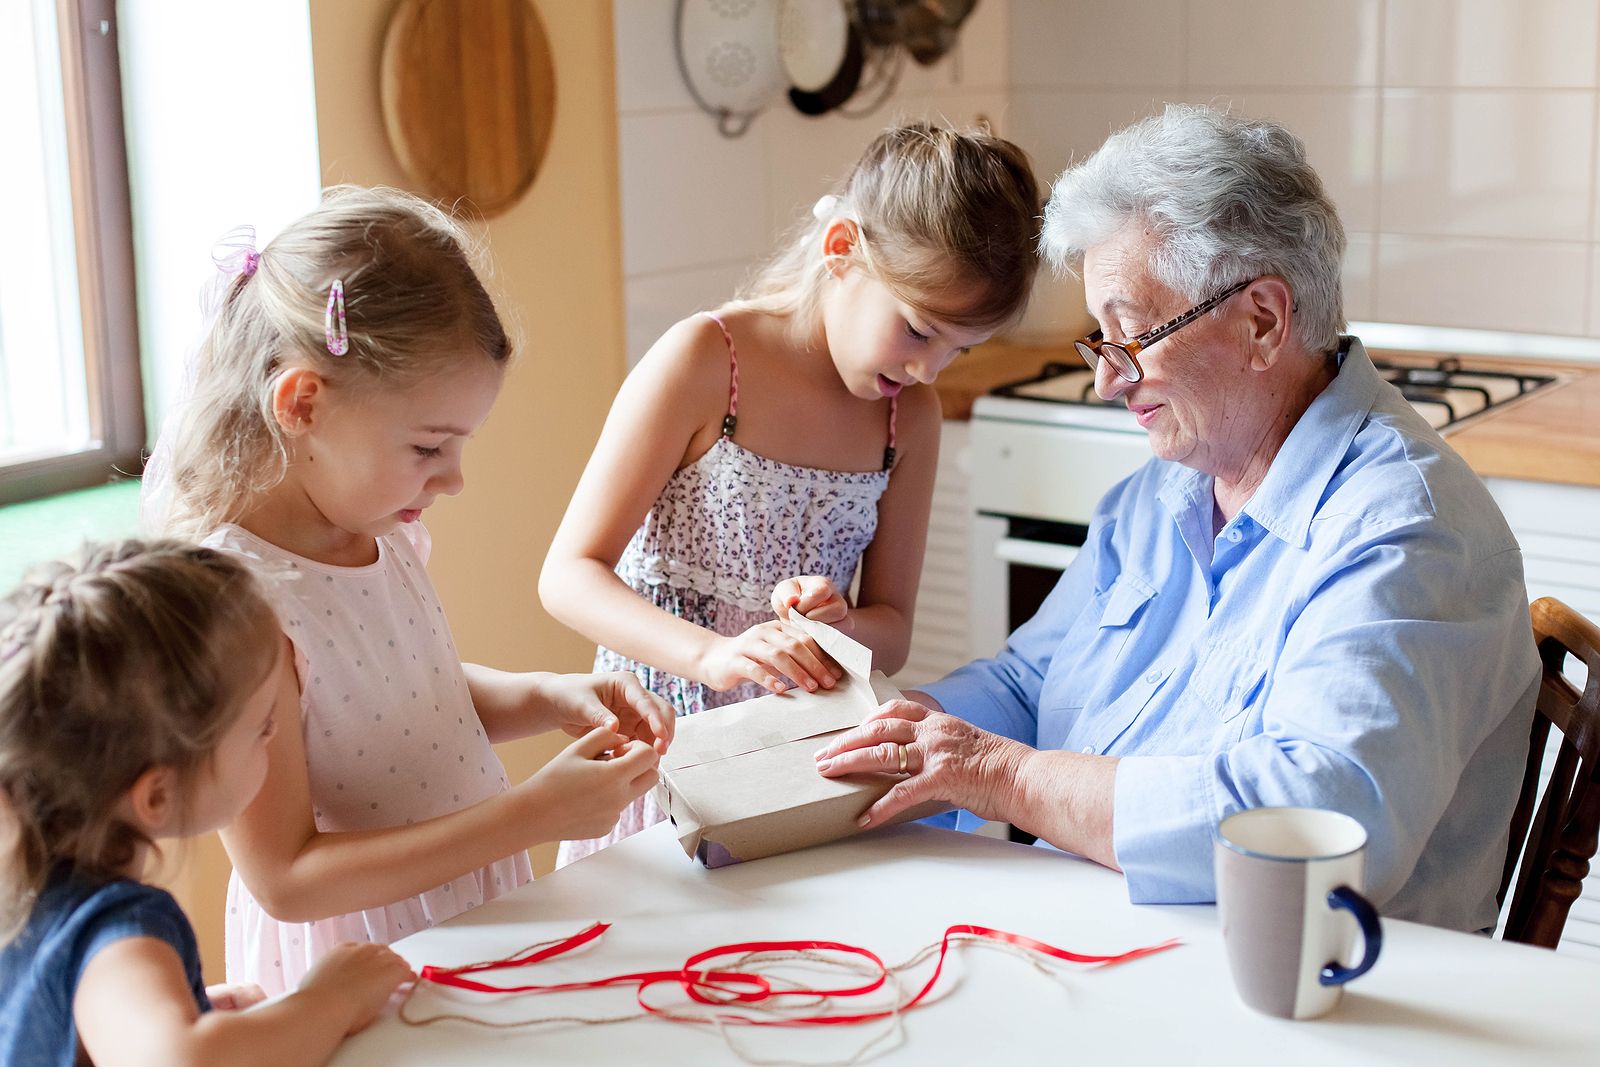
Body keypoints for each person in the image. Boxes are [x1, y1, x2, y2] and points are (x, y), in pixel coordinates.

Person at [814, 105, 1541, 933]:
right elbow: (1028, 683)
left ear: (1262, 322)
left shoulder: (1407, 530)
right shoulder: (1162, 494)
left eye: (1130, 335)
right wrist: (872, 743)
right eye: (1101, 341)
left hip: (1312, 999)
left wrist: (1005, 778)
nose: (1107, 381)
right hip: (1109, 949)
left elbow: (1320, 820)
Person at [142, 186, 672, 995]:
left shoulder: (381, 531)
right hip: (363, 961)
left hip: (465, 905)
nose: (454, 478)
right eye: (429, 445)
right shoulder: (239, 602)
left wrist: (548, 695)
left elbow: (401, 696)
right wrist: (533, 814)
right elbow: (285, 875)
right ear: (302, 403)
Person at [539, 123, 1042, 865]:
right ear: (842, 249)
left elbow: (892, 630)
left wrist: (835, 627)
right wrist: (712, 655)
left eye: (956, 350)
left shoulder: (909, 416)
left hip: (795, 770)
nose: (931, 370)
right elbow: (569, 574)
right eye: (916, 330)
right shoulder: (708, 361)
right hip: (662, 758)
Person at [0, 540, 415, 1067]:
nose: (278, 736)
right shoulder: (118, 926)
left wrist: (195, 1014)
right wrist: (331, 1000)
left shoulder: (24, 892)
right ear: (157, 795)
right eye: (264, 726)